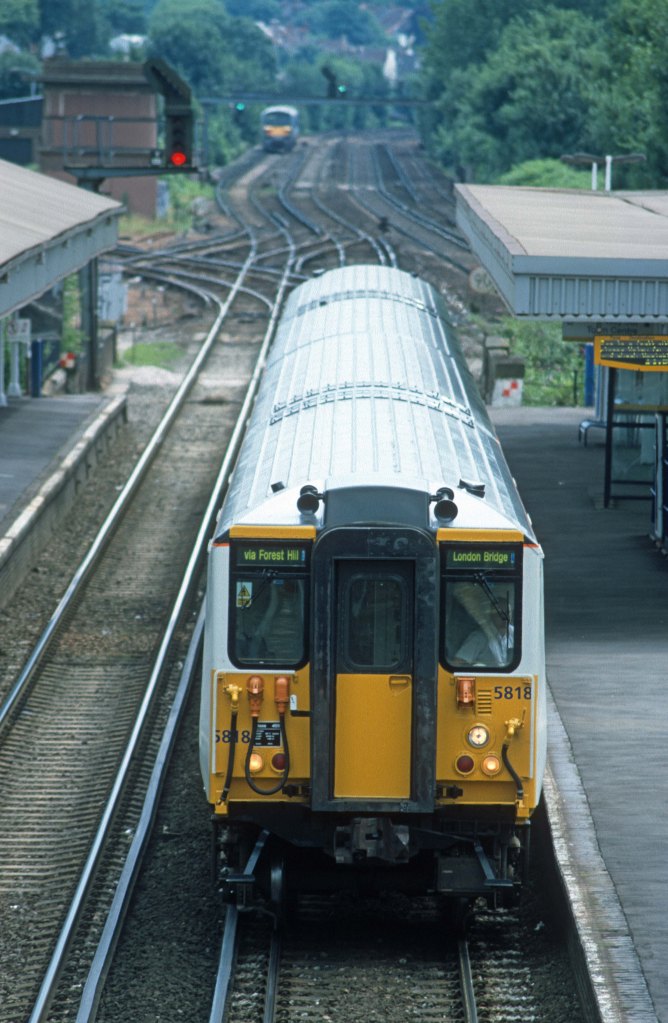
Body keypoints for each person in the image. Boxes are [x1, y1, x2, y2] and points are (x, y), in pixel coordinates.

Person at [447, 580, 514, 668]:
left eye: (507, 613)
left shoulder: (515, 634)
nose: (505, 617)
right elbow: (457, 663)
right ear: (491, 615)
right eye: (500, 614)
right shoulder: (480, 637)